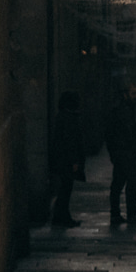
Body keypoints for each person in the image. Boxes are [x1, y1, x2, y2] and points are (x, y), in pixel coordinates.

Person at [104, 81, 136, 226]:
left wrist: (112, 153)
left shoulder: (120, 108)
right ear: (125, 94)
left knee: (117, 184)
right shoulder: (124, 111)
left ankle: (115, 215)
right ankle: (131, 215)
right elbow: (130, 136)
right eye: (133, 93)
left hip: (119, 153)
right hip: (126, 153)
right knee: (130, 184)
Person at [49, 90, 85, 227]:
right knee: (65, 189)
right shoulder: (67, 118)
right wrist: (74, 161)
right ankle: (61, 218)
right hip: (66, 162)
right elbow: (69, 142)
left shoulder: (64, 116)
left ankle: (62, 217)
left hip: (62, 161)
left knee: (65, 189)